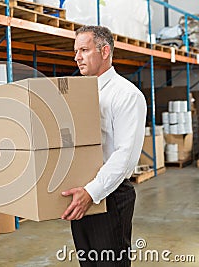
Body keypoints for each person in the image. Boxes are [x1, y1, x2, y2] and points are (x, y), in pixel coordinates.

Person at [61, 25, 147, 266]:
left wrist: (91, 192)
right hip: (82, 194)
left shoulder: (126, 95)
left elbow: (125, 156)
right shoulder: (77, 93)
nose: (76, 57)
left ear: (105, 51)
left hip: (108, 196)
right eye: (75, 51)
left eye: (84, 50)